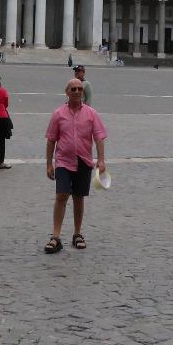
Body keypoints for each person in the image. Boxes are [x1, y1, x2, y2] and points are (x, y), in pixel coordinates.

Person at [44, 76, 107, 254]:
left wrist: (101, 160)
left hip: (84, 161)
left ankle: (77, 233)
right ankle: (55, 236)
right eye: (74, 89)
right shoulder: (58, 114)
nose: (78, 92)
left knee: (79, 198)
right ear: (67, 93)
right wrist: (49, 164)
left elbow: (99, 137)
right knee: (61, 195)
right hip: (63, 161)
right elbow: (51, 140)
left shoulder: (91, 113)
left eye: (80, 89)